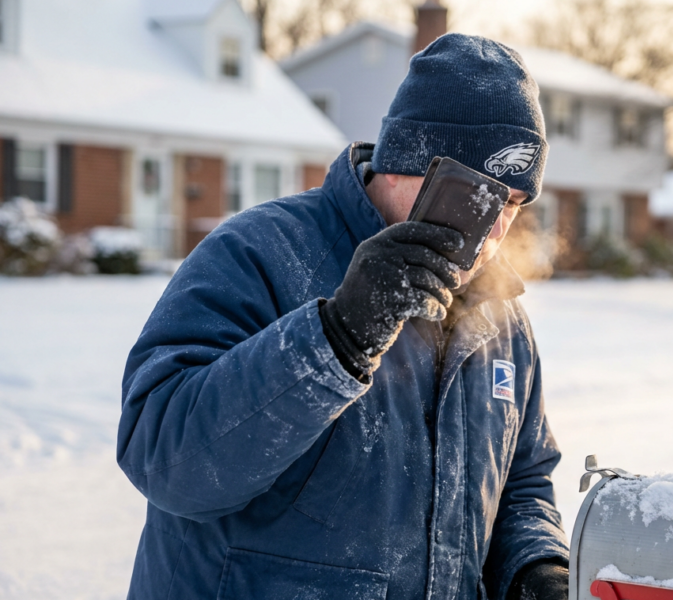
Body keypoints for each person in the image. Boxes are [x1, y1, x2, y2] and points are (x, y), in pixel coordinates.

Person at [117, 34, 569, 600]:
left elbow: (523, 479)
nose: (494, 231)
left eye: (511, 204)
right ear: (411, 160)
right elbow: (164, 459)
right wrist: (337, 336)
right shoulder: (261, 252)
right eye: (478, 197)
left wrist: (535, 567)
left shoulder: (498, 313)